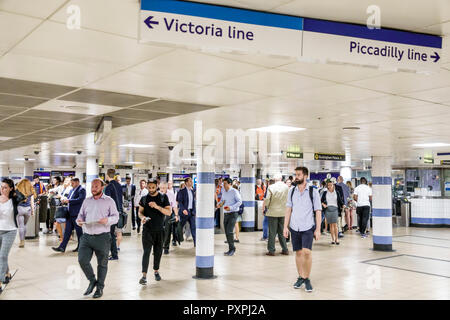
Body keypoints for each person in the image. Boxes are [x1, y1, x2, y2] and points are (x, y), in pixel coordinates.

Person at [76, 178, 119, 299]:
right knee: (82, 260)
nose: (93, 189)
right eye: (92, 186)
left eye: (96, 186)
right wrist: (78, 221)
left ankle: (100, 288)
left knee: (102, 264)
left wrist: (108, 220)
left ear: (102, 187)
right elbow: (80, 215)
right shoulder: (86, 201)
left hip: (102, 237)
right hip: (87, 236)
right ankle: (92, 280)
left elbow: (116, 217)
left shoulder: (109, 201)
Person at [284, 167, 321, 292]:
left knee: (307, 252)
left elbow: (318, 211)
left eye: (298, 175)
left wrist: (318, 229)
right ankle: (300, 277)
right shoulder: (291, 191)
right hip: (295, 227)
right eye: (296, 174)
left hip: (307, 227)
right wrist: (285, 227)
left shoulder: (313, 191)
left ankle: (307, 278)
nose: (296, 177)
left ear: (305, 176)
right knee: (298, 253)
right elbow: (288, 209)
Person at [138, 179, 172, 285]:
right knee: (146, 252)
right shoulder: (144, 199)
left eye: (153, 187)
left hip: (159, 230)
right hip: (147, 230)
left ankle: (156, 271)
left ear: (156, 186)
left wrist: (157, 207)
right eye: (149, 187)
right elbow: (140, 212)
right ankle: (144, 276)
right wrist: (142, 218)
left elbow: (169, 212)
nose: (151, 189)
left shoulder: (163, 197)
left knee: (158, 252)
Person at [52, 178, 86, 253]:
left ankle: (81, 247)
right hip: (69, 213)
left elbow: (80, 199)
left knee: (79, 232)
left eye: (73, 183)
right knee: (67, 232)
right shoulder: (71, 190)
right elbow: (68, 199)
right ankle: (62, 247)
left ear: (77, 182)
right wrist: (65, 200)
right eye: (71, 183)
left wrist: (69, 201)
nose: (71, 185)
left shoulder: (81, 190)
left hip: (77, 214)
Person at [0, 178, 22, 294]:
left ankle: (0, 280)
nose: (2, 189)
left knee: (2, 256)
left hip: (10, 230)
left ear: (10, 189)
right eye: (1, 187)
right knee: (1, 256)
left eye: (5, 187)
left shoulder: (14, 199)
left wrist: (14, 191)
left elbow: (23, 196)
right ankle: (7, 273)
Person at [264, 174, 289, 256]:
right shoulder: (286, 187)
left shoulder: (271, 187)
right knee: (282, 231)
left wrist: (267, 206)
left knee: (272, 232)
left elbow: (267, 199)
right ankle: (285, 249)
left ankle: (271, 250)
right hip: (283, 212)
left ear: (274, 179)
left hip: (272, 212)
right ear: (281, 179)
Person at [216, 178, 242, 256]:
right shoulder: (224, 191)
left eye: (225, 183)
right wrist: (219, 204)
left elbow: (239, 202)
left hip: (233, 213)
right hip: (226, 213)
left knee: (230, 231)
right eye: (223, 184)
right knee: (227, 231)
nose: (223, 185)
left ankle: (232, 249)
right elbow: (223, 200)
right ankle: (230, 248)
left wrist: (231, 207)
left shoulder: (234, 191)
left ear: (230, 184)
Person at [104, 169, 123, 261]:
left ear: (107, 175)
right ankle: (112, 253)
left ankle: (114, 254)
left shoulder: (108, 187)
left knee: (110, 234)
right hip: (118, 212)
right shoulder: (119, 185)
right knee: (114, 233)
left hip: (111, 214)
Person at [321, 180, 344, 245]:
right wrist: (323, 204)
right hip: (328, 209)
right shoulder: (325, 192)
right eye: (328, 185)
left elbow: (340, 200)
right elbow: (321, 201)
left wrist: (343, 205)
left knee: (335, 224)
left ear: (333, 185)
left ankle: (337, 239)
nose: (329, 186)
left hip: (335, 209)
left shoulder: (336, 192)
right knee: (330, 225)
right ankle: (333, 239)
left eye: (331, 185)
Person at [15, 179, 36, 248]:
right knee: (25, 225)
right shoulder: (31, 191)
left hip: (20, 209)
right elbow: (32, 202)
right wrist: (33, 211)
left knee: (21, 226)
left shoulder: (17, 190)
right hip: (28, 210)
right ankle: (23, 238)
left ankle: (22, 241)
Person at [176, 177, 196, 247]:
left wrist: (194, 211)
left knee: (193, 227)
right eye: (190, 181)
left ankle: (195, 243)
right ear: (186, 183)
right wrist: (183, 209)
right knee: (180, 227)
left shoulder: (192, 191)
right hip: (184, 212)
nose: (191, 182)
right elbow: (180, 202)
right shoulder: (181, 191)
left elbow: (193, 202)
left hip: (191, 213)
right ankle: (176, 239)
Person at [162, 182, 179, 254]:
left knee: (167, 231)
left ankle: (166, 248)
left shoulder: (171, 194)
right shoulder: (157, 194)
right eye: (160, 188)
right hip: (159, 215)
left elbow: (174, 206)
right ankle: (157, 248)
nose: (162, 189)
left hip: (168, 214)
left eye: (163, 188)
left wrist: (176, 215)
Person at [54, 177, 72, 243]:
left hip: (67, 207)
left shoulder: (71, 189)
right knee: (57, 222)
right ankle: (62, 236)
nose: (66, 181)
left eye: (68, 180)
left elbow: (67, 198)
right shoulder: (61, 187)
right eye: (65, 180)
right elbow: (53, 190)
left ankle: (65, 236)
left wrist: (60, 196)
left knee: (65, 223)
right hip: (60, 206)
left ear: (70, 182)